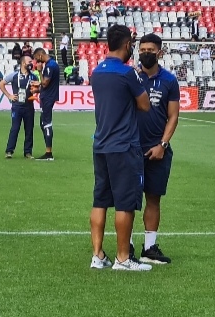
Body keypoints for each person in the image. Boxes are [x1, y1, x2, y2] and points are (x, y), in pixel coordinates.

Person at [88, 24, 151, 271]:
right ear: (127, 45)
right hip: (124, 146)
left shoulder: (97, 71)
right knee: (125, 203)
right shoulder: (127, 74)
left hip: (101, 143)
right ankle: (123, 258)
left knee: (100, 200)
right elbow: (144, 105)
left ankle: (98, 255)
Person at [134, 34, 179, 265]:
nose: (146, 53)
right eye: (142, 49)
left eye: (151, 49)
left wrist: (162, 145)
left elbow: (173, 116)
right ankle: (128, 247)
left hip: (157, 150)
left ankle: (149, 248)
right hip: (131, 148)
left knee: (153, 198)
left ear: (159, 52)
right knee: (129, 200)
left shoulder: (169, 80)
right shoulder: (131, 76)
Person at [0, 56, 37, 159]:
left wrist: (36, 91)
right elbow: (1, 84)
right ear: (23, 63)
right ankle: (9, 151)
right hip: (17, 106)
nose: (31, 63)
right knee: (15, 128)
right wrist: (9, 96)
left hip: (29, 106)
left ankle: (28, 152)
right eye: (29, 62)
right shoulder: (14, 75)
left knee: (29, 130)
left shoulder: (33, 77)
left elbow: (37, 90)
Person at [31, 48, 60, 161]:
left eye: (36, 58)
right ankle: (48, 151)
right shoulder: (52, 64)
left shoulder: (49, 66)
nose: (36, 61)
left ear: (40, 54)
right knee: (43, 123)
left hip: (48, 99)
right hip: (47, 96)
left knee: (46, 123)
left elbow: (45, 83)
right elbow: (46, 85)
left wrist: (39, 71)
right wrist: (38, 90)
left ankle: (49, 153)